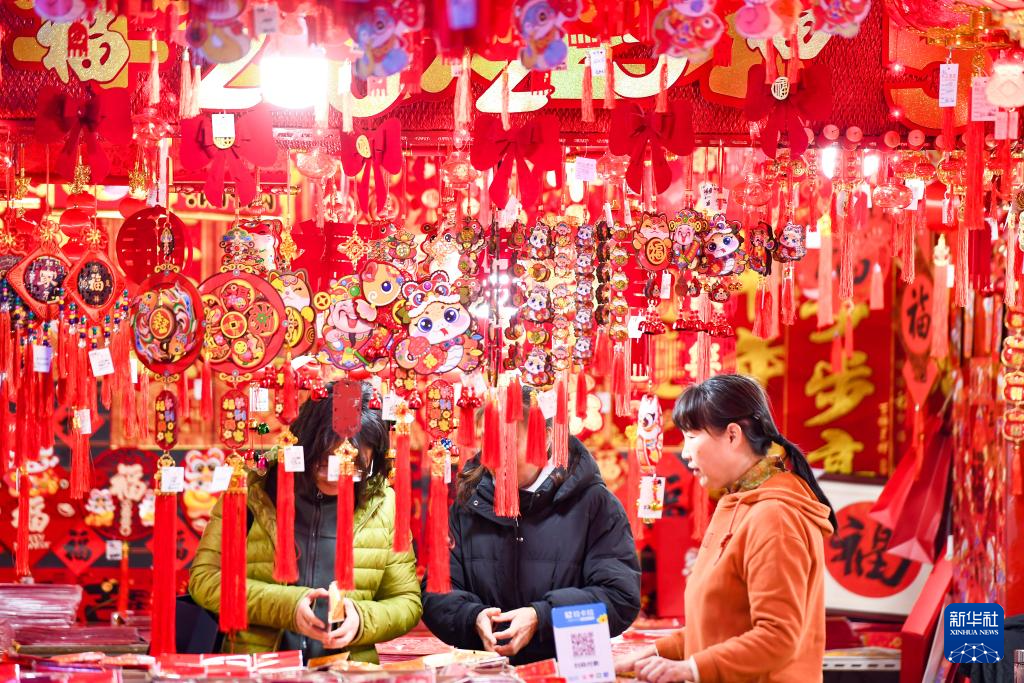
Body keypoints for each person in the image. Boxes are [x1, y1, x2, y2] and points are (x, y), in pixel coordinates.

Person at [614, 374, 837, 683]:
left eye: (692, 436)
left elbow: (778, 637)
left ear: (733, 435)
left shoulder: (774, 515)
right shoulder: (737, 503)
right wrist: (653, 653)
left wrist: (691, 668)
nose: (685, 453)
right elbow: (717, 627)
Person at [189, 383, 422, 662]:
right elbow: (205, 579)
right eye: (323, 463)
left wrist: (362, 619)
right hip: (259, 668)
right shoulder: (253, 489)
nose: (335, 476)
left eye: (353, 467)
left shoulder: (384, 504)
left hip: (345, 671)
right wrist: (287, 606)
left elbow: (407, 601)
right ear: (304, 445)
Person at [422, 384, 641, 665]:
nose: (493, 456)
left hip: (567, 670)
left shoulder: (594, 505)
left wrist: (542, 617)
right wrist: (472, 617)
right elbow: (436, 592)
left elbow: (620, 598)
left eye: (507, 442)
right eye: (487, 441)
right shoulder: (468, 502)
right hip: (485, 669)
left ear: (546, 437)